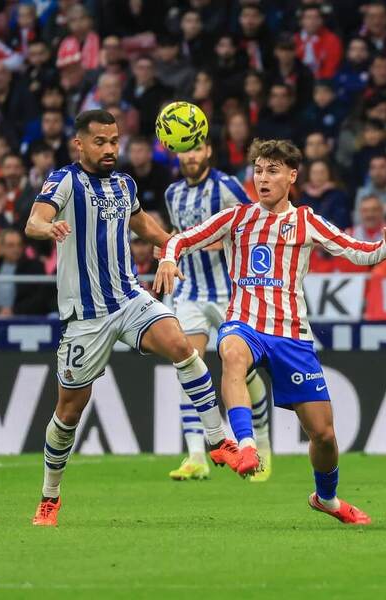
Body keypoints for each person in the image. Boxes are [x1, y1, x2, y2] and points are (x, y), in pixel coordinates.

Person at [156, 138, 386, 525]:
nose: (263, 177)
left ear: (292, 176)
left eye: (272, 170)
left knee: (323, 435)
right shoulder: (236, 218)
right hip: (244, 321)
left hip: (292, 334)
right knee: (232, 354)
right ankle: (245, 445)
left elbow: (359, 252)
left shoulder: (307, 221)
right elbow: (180, 238)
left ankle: (326, 498)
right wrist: (170, 259)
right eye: (258, 170)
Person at [24, 110, 243, 527]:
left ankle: (218, 439)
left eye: (114, 141)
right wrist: (45, 228)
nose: (110, 149)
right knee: (69, 412)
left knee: (181, 344)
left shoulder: (125, 184)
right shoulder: (64, 180)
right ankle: (50, 496)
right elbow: (36, 218)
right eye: (100, 142)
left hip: (128, 298)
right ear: (80, 144)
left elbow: (145, 225)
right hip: (85, 316)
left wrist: (174, 248)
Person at [162, 138, 273, 483]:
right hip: (191, 291)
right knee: (187, 364)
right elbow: (180, 236)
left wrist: (214, 243)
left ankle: (262, 447)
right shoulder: (172, 194)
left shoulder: (227, 187)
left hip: (229, 292)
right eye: (185, 150)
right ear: (177, 153)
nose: (191, 156)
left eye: (197, 149)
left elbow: (255, 223)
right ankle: (197, 455)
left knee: (243, 370)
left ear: (209, 151)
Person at [0, 229, 51, 316]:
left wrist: (13, 311)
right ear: (2, 248)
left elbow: (40, 297)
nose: (16, 249)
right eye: (11, 245)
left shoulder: (34, 267)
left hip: (25, 319)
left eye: (19, 245)